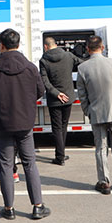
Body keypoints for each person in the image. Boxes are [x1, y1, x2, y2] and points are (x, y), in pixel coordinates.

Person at [0, 28, 51, 220]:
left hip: (2, 122)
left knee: (5, 165)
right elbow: (40, 91)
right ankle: (37, 206)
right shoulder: (29, 67)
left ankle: (9, 208)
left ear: (1, 45)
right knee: (30, 164)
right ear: (18, 45)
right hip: (25, 122)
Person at [76, 35, 112, 195]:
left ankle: (104, 183)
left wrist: (88, 111)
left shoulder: (83, 68)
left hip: (96, 113)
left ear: (87, 49)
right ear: (102, 47)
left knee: (101, 149)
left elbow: (82, 95)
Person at [39, 37, 82, 166]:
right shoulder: (68, 56)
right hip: (68, 97)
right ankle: (61, 154)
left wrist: (57, 94)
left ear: (46, 47)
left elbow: (45, 82)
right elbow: (83, 63)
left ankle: (60, 156)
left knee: (57, 128)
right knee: (64, 126)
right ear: (56, 45)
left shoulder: (44, 61)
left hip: (54, 99)